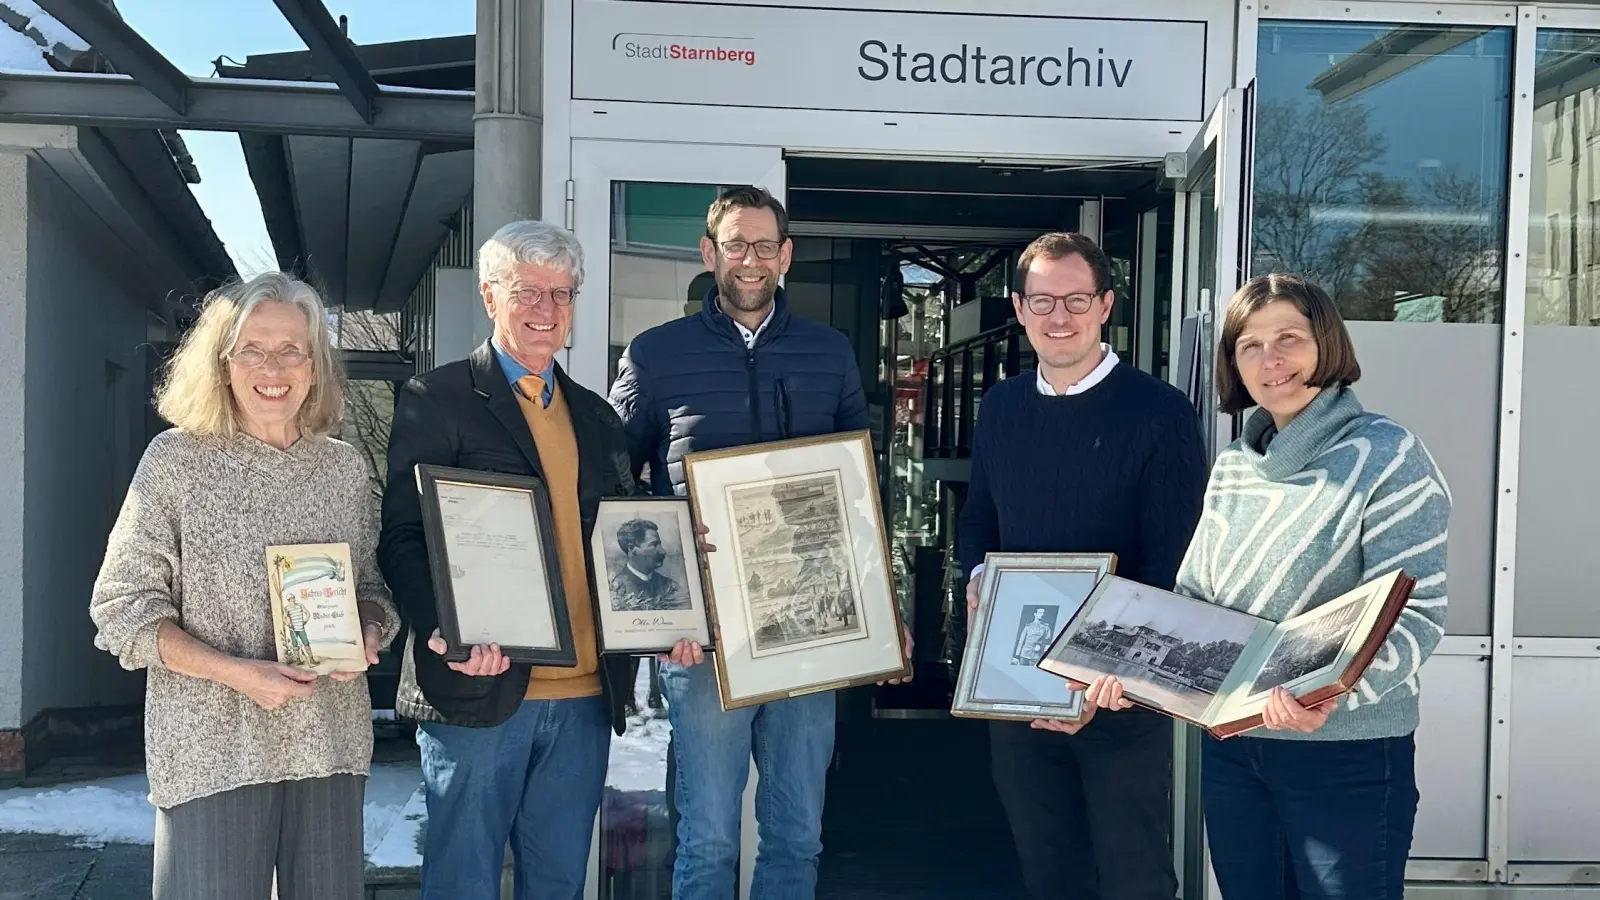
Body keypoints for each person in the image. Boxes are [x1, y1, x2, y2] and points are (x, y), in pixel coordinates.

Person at [1083, 272, 1451, 900]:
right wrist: (1136, 673)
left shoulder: (1387, 455)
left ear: (1327, 345)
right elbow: (1196, 600)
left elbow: (1417, 614)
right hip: (1236, 749)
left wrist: (1325, 696)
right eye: (1248, 345)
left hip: (1342, 754)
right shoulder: (1234, 466)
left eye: (1289, 338)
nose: (1269, 360)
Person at [608, 185, 908, 899]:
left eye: (765, 246)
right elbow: (615, 491)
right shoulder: (654, 356)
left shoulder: (828, 353)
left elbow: (860, 494)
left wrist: (880, 603)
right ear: (710, 253)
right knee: (707, 838)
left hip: (811, 630)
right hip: (707, 636)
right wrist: (662, 600)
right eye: (736, 245)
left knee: (796, 836)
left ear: (787, 256)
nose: (751, 260)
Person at [89, 273, 399, 900]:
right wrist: (237, 672)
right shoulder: (176, 461)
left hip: (328, 743)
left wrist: (368, 627)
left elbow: (371, 582)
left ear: (315, 366)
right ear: (222, 362)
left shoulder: (341, 467)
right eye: (253, 349)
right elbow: (122, 607)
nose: (273, 368)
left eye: (292, 349)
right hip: (212, 749)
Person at [378, 220, 640, 900]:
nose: (546, 310)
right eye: (528, 291)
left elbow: (624, 540)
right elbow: (404, 535)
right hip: (478, 687)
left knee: (556, 885)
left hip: (584, 695)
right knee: (462, 883)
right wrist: (443, 626)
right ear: (491, 297)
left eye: (562, 293)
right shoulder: (437, 400)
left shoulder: (599, 418)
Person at [957, 232, 1208, 900]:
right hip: (1019, 690)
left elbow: (1171, 561)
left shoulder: (1160, 414)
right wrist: (978, 579)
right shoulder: (1002, 407)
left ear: (1105, 306)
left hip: (1119, 698)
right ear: (1018, 306)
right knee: (1048, 873)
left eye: (1075, 299)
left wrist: (1106, 676)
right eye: (1042, 300)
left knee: (1134, 877)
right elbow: (980, 516)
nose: (1058, 316)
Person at [610, 518, 688, 611]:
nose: (662, 551)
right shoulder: (615, 590)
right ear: (631, 548)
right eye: (654, 545)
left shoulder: (671, 587)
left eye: (659, 545)